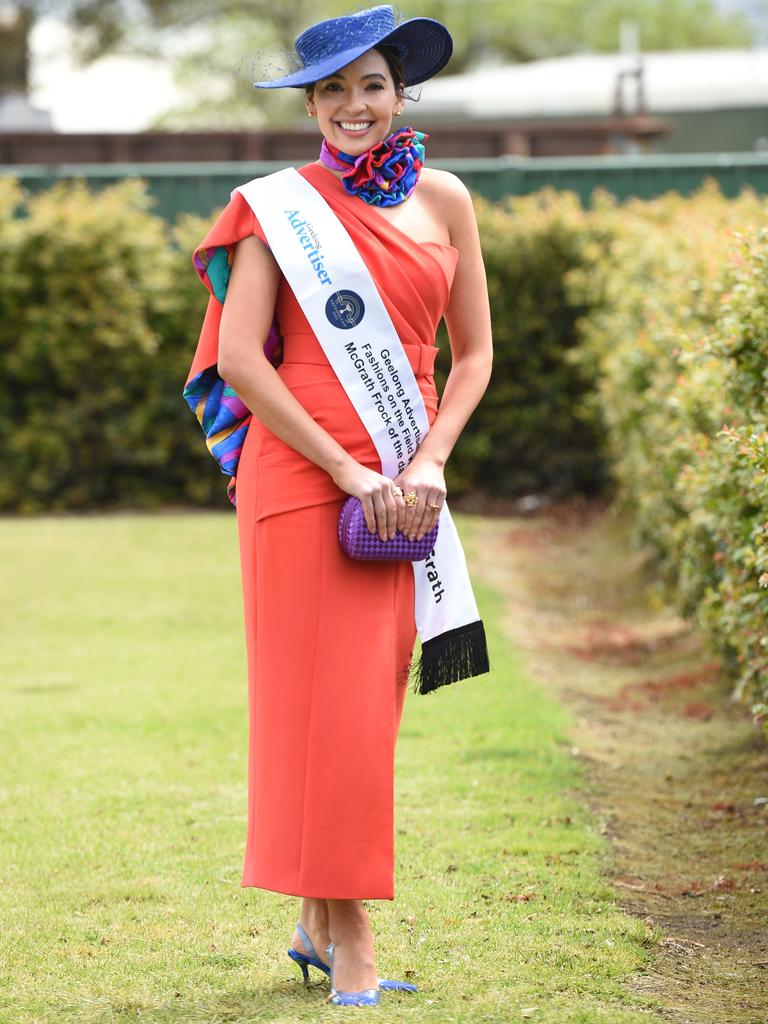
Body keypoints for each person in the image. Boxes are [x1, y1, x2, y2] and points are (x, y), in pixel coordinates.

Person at [183, 3, 493, 1008]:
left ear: (401, 94)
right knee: (314, 708)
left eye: (370, 86)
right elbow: (239, 359)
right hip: (299, 478)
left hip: (404, 480)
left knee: (366, 702)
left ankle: (316, 920)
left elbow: (475, 352)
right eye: (332, 91)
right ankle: (349, 934)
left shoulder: (447, 200)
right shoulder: (277, 209)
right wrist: (349, 471)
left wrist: (431, 460)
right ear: (310, 105)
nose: (352, 107)